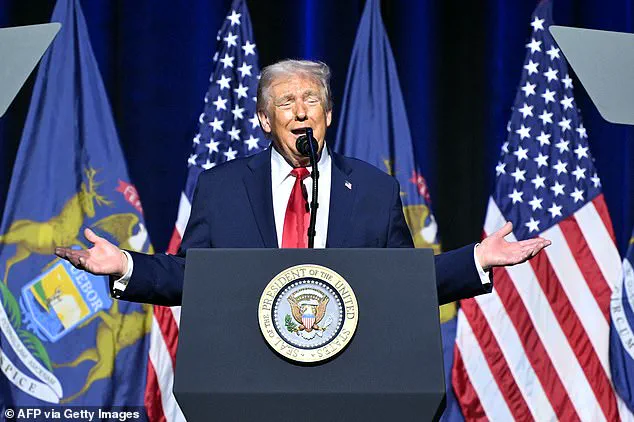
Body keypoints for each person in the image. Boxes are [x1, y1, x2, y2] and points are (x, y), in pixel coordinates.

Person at [55, 60, 550, 306]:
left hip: (347, 387)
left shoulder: (374, 191)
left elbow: (402, 283)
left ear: (327, 114)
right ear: (265, 120)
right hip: (247, 386)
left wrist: (476, 259)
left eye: (311, 100)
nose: (299, 112)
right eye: (285, 103)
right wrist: (126, 265)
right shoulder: (221, 188)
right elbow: (192, 278)